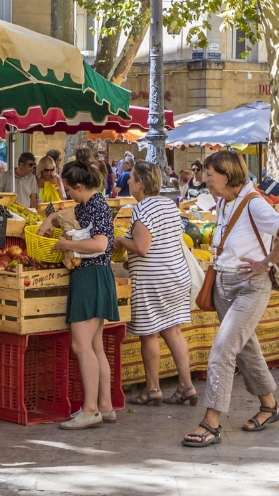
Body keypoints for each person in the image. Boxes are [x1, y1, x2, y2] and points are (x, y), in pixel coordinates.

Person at [183, 152, 279, 447]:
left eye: (210, 174)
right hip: (224, 284)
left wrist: (266, 262)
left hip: (250, 286)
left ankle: (211, 423)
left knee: (223, 349)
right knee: (246, 349)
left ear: (228, 175)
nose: (204, 179)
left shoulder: (255, 204)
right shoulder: (224, 201)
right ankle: (270, 406)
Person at [36, 149, 118, 430]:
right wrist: (51, 218)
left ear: (80, 186)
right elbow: (68, 213)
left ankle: (90, 410)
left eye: (70, 190)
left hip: (90, 275)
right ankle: (105, 407)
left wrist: (66, 245)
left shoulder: (95, 206)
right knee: (95, 346)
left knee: (81, 346)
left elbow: (99, 245)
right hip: (97, 276)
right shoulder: (91, 204)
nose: (69, 194)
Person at [113, 162, 196, 407]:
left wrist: (120, 240)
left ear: (140, 183)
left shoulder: (142, 209)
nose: (128, 182)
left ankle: (152, 388)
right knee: (173, 330)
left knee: (149, 333)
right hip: (176, 276)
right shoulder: (168, 205)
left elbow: (141, 247)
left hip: (153, 280)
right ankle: (187, 386)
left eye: (131, 179)